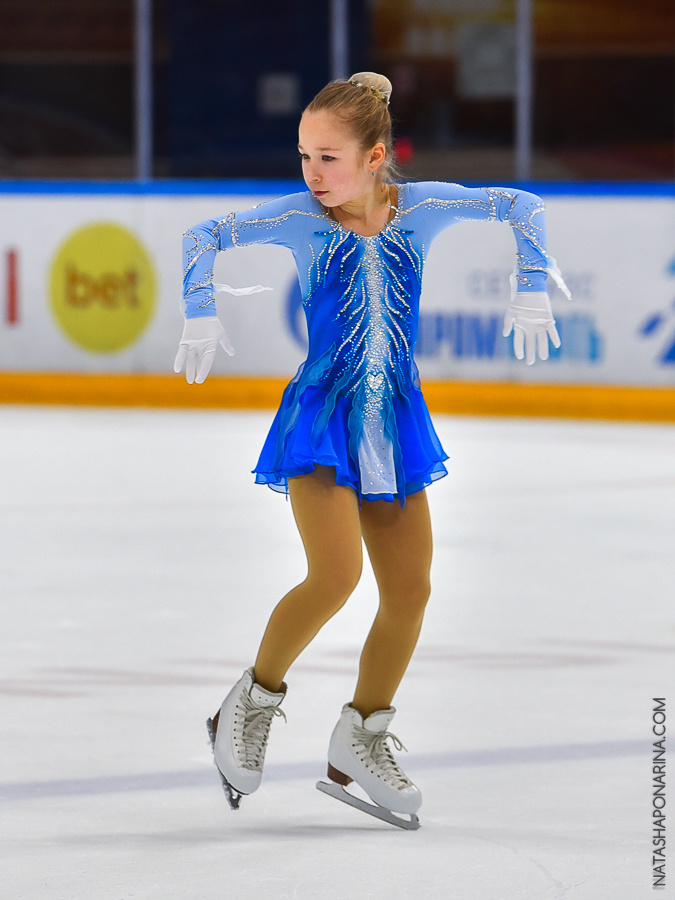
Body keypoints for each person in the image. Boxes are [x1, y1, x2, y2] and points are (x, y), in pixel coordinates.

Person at [175, 72, 568, 829]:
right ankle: (247, 706)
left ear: (375, 155)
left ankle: (361, 734)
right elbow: (203, 238)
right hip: (321, 417)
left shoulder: (420, 209)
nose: (311, 175)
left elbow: (523, 206)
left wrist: (529, 284)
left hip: (393, 422)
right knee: (334, 576)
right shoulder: (299, 218)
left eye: (327, 158)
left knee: (410, 591)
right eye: (303, 157)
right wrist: (199, 310)